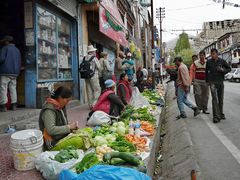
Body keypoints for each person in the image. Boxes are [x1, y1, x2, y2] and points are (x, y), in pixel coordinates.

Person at [206, 48, 231, 123]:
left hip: (220, 82)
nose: (212, 55)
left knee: (220, 99)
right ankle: (216, 117)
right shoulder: (209, 62)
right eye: (211, 54)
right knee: (214, 98)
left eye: (214, 53)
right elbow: (206, 72)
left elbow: (229, 68)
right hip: (212, 82)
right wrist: (207, 81)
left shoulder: (222, 61)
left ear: (217, 54)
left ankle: (220, 113)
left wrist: (223, 71)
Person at [0, 35, 21, 112]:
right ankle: (14, 105)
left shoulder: (4, 48)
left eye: (5, 41)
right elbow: (19, 62)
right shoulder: (17, 50)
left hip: (5, 71)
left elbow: (1, 59)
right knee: (13, 88)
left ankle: (3, 106)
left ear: (7, 41)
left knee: (3, 88)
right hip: (15, 73)